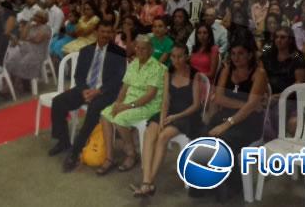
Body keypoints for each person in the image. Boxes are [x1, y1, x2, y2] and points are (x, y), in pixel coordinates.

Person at [49, 21, 126, 173]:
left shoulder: (118, 53)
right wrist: (84, 90)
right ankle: (63, 140)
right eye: (102, 31)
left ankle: (75, 151)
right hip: (85, 89)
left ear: (112, 34)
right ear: (97, 32)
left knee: (94, 109)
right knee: (58, 102)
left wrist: (98, 91)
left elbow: (118, 79)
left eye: (108, 32)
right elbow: (79, 76)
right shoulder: (86, 50)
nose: (105, 35)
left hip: (105, 92)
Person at [133, 44, 203, 197]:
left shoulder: (194, 75)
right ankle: (146, 181)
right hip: (170, 111)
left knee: (163, 137)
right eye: (173, 56)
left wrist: (175, 117)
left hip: (186, 115)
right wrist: (163, 117)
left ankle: (149, 182)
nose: (175, 60)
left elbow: (196, 105)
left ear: (186, 57)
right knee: (151, 131)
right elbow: (165, 100)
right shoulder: (168, 73)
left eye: (179, 56)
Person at [206, 35, 268, 201]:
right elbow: (218, 98)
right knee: (204, 134)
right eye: (233, 53)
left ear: (249, 55)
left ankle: (234, 184)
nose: (236, 58)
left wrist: (227, 123)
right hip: (229, 115)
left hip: (249, 123)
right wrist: (249, 104)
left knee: (224, 139)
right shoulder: (227, 69)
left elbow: (250, 109)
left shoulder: (259, 74)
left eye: (240, 53)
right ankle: (213, 178)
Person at [97, 35, 166, 175]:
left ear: (151, 50)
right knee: (105, 114)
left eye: (143, 49)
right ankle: (109, 157)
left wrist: (127, 106)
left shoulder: (158, 68)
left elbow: (150, 95)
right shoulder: (134, 63)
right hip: (129, 101)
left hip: (148, 106)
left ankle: (131, 154)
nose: (139, 51)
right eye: (137, 48)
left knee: (120, 119)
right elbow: (125, 87)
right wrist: (118, 103)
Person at [5, 10, 52, 85]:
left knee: (23, 62)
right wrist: (28, 23)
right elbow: (22, 37)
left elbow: (37, 40)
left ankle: (23, 83)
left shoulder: (46, 28)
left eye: (37, 16)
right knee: (12, 60)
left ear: (42, 18)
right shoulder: (32, 26)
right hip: (27, 49)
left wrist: (28, 39)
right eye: (35, 16)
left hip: (38, 52)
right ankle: (11, 84)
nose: (34, 17)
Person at [261, 26, 305, 95]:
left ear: (290, 40)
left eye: (283, 37)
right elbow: (261, 73)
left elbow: (299, 82)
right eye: (276, 37)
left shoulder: (297, 56)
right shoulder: (269, 53)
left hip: (288, 97)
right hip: (267, 93)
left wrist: (281, 96)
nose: (278, 40)